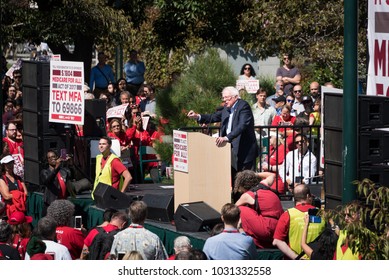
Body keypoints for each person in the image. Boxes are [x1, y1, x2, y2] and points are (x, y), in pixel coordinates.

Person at [187, 86, 258, 201]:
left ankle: (249, 205)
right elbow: (213, 117)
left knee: (246, 179)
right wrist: (198, 116)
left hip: (245, 150)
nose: (225, 101)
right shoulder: (226, 108)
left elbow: (242, 125)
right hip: (231, 149)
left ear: (235, 97)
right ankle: (236, 204)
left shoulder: (243, 106)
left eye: (227, 98)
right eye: (224, 98)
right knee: (235, 178)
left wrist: (226, 137)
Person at [272, 183, 325, 259]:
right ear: (307, 196)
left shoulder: (288, 214)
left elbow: (277, 241)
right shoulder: (322, 214)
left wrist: (296, 257)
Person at [234, 170, 284, 248]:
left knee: (240, 209)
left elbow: (232, 209)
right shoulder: (264, 185)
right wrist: (254, 174)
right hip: (279, 227)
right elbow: (272, 175)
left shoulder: (247, 195)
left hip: (267, 228)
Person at [40, 149, 76, 215]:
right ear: (47, 160)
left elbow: (73, 176)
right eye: (49, 158)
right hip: (51, 204)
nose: (52, 159)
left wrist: (71, 164)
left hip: (63, 203)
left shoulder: (63, 171)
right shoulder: (45, 172)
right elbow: (48, 181)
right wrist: (57, 167)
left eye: (53, 156)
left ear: (57, 157)